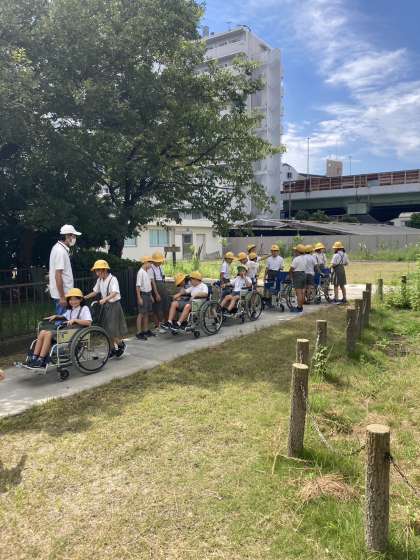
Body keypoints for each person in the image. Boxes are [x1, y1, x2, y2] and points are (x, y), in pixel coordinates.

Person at [27, 288, 92, 369]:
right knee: (42, 332)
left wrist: (75, 320)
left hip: (75, 333)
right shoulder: (71, 309)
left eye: (75, 299)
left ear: (81, 299)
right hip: (67, 331)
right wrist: (55, 316)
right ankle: (34, 357)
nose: (73, 301)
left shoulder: (84, 308)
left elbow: (88, 322)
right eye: (71, 300)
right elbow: (64, 316)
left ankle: (41, 359)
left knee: (48, 334)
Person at [85, 260, 128, 357]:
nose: (97, 273)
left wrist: (105, 299)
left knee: (112, 330)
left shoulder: (113, 279)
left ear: (104, 270)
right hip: (105, 306)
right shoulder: (100, 280)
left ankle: (121, 344)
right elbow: (95, 291)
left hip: (114, 306)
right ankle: (112, 349)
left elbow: (114, 292)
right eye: (96, 271)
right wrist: (85, 297)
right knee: (105, 329)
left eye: (98, 270)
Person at [49, 224, 81, 314]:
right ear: (67, 236)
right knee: (62, 319)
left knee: (65, 318)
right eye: (73, 236)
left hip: (64, 293)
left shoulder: (58, 248)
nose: (74, 238)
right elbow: (58, 275)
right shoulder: (60, 251)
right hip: (63, 295)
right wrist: (62, 297)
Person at [136, 256, 155, 340]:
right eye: (150, 263)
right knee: (141, 313)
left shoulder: (147, 272)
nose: (151, 264)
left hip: (148, 294)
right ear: (146, 262)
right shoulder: (140, 272)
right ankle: (139, 332)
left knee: (146, 313)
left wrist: (150, 295)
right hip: (143, 295)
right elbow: (138, 286)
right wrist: (139, 297)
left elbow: (148, 285)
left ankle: (146, 330)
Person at [289, 244, 307, 312]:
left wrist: (290, 275)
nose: (295, 252)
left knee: (298, 293)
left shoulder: (296, 259)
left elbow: (292, 268)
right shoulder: (305, 258)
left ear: (298, 251)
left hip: (297, 275)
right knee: (302, 292)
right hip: (304, 274)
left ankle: (299, 308)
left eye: (296, 250)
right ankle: (301, 306)